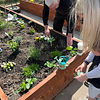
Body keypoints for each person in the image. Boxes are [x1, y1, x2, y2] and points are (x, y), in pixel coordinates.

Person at [74, 0, 100, 100]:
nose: (80, 24)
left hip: (97, 82)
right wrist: (85, 62)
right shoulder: (97, 35)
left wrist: (85, 76)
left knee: (92, 94)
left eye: (83, 20)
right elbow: (94, 52)